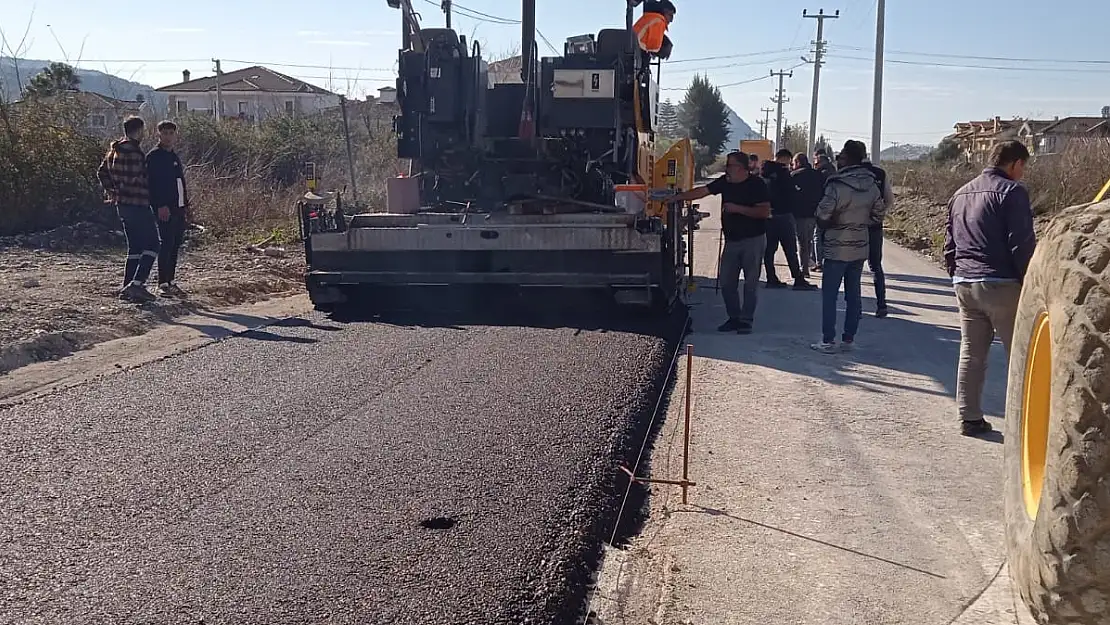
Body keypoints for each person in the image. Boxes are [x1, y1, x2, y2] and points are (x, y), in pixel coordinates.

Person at [944, 140, 1036, 437]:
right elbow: (1022, 244)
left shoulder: (960, 194)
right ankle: (1023, 426)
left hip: (965, 283)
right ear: (1015, 164)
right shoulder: (1013, 193)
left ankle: (968, 418)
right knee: (1020, 355)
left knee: (972, 352)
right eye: (1023, 167)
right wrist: (1030, 283)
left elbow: (949, 245)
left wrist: (958, 274)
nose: (1023, 173)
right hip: (1001, 284)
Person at [671, 151, 771, 334]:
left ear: (740, 168)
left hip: (753, 241)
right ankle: (733, 317)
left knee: (750, 283)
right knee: (726, 282)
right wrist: (680, 197)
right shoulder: (725, 182)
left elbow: (764, 212)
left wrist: (738, 209)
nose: (726, 169)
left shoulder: (757, 185)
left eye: (730, 165)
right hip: (732, 241)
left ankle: (746, 321)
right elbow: (704, 191)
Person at [811, 140, 886, 354]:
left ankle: (827, 340)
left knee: (830, 295)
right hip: (860, 245)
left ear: (847, 158)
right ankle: (849, 339)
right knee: (853, 294)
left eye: (841, 157)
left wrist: (832, 222)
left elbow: (822, 214)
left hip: (836, 245)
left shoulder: (837, 185)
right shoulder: (872, 184)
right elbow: (879, 214)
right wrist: (860, 223)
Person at [97, 116, 160, 303]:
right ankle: (137, 284)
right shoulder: (134, 152)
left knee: (134, 247)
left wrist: (112, 191)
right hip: (137, 203)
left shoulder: (113, 151)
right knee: (153, 244)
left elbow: (101, 172)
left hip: (122, 205)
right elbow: (136, 177)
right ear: (139, 130)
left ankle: (127, 286)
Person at [761, 149, 817, 290]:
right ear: (786, 159)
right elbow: (791, 193)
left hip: (768, 216)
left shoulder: (764, 172)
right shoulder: (783, 174)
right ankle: (798, 279)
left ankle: (771, 278)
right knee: (790, 249)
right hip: (784, 215)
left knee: (769, 250)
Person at [147, 120, 190, 298]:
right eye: (165, 133)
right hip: (165, 208)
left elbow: (180, 183)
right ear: (159, 135)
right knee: (166, 243)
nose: (168, 137)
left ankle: (171, 280)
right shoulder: (154, 157)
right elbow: (152, 184)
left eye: (171, 133)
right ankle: (162, 282)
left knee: (175, 244)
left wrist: (185, 205)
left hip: (178, 208)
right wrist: (160, 205)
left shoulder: (174, 156)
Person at [860, 155, 895, 318]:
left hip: (856, 226)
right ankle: (881, 305)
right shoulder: (880, 173)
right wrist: (878, 215)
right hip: (875, 226)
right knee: (875, 266)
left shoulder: (853, 173)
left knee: (854, 266)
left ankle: (855, 307)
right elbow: (889, 199)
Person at [790, 153, 825, 278]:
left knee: (801, 241)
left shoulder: (794, 176)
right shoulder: (817, 175)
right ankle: (806, 266)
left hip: (798, 213)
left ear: (798, 163)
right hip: (813, 213)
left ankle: (803, 268)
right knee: (808, 240)